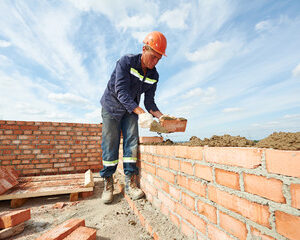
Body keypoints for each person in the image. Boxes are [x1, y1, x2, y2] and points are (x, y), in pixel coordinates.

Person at [99, 31, 167, 204]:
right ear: (144, 49)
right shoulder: (126, 62)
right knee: (110, 142)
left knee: (131, 142)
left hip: (130, 110)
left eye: (159, 59)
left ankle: (131, 182)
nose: (155, 62)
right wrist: (140, 112)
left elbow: (150, 102)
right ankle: (108, 181)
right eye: (153, 57)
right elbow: (120, 91)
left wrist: (162, 117)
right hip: (112, 107)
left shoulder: (154, 75)